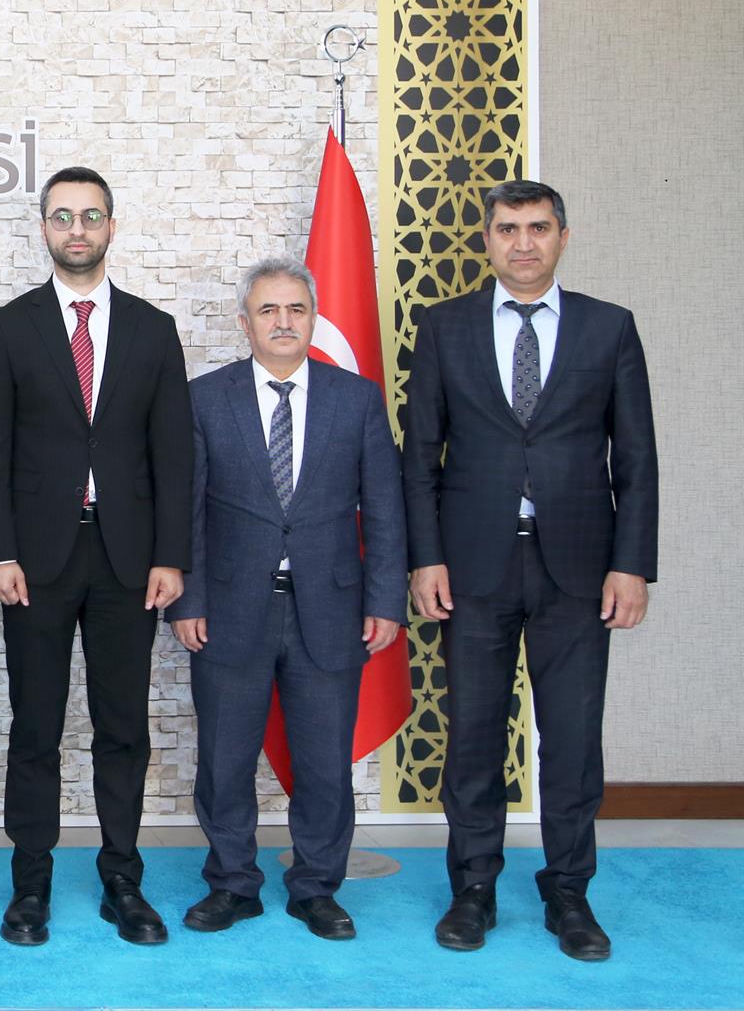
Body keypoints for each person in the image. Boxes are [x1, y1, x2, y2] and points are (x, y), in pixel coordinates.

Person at [402, 180, 656, 962]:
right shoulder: (443, 326)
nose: (523, 242)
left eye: (538, 227)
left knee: (572, 741)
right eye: (508, 228)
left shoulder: (609, 327)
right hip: (472, 565)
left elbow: (636, 458)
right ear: (486, 239)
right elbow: (419, 454)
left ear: (562, 237)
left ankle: (569, 891)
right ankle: (473, 888)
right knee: (474, 737)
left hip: (578, 567)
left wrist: (632, 565)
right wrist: (425, 556)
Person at [0, 165, 191, 946]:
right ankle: (30, 884)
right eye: (62, 216)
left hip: (128, 560)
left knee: (122, 727)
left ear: (111, 226)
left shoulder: (153, 328)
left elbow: (174, 453)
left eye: (90, 216)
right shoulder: (8, 325)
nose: (76, 229)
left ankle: (121, 880)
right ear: (44, 228)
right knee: (35, 725)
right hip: (35, 560)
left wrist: (172, 553)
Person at [169, 257, 407, 940]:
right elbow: (185, 511)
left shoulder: (356, 398)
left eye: (296, 310)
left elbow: (384, 509)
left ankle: (316, 888)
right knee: (224, 760)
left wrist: (385, 600)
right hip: (227, 610)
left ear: (313, 320)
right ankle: (232, 883)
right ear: (245, 323)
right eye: (268, 310)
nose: (283, 322)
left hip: (330, 610)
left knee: (325, 762)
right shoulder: (204, 399)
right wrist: (188, 600)